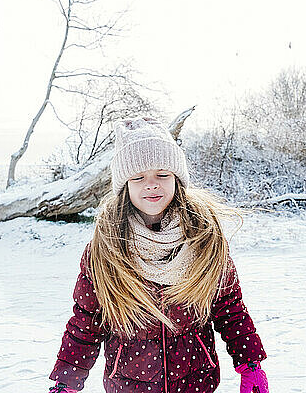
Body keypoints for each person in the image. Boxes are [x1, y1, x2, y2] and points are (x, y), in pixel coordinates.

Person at [47, 117, 269, 393]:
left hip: (196, 382)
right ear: (124, 185)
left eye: (162, 174)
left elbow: (230, 308)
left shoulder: (205, 240)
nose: (151, 185)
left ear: (177, 178)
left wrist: (251, 364)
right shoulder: (106, 251)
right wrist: (66, 383)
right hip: (128, 385)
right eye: (138, 177)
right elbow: (86, 321)